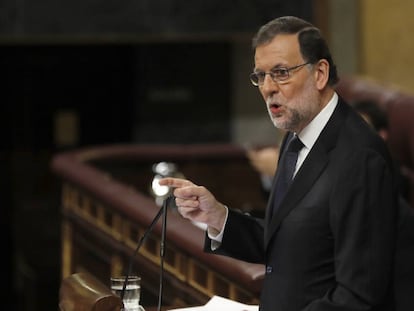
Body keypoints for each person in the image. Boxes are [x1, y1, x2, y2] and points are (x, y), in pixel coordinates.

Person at [159, 16, 399, 311]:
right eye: (260, 75)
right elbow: (290, 242)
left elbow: (358, 295)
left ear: (320, 73)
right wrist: (219, 218)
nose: (267, 88)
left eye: (281, 73)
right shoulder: (296, 133)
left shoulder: (360, 157)